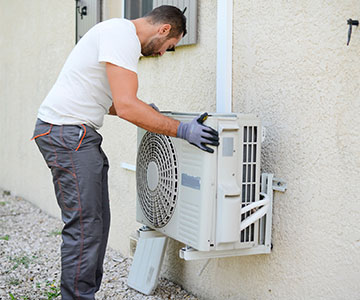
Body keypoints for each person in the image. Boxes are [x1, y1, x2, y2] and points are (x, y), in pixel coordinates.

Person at [32, 5, 219, 300]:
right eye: (169, 47)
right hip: (68, 135)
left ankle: (83, 294)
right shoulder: (122, 35)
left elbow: (110, 102)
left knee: (96, 222)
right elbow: (128, 105)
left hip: (72, 133)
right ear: (164, 29)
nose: (162, 54)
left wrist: (147, 112)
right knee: (85, 226)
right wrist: (182, 130)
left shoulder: (114, 34)